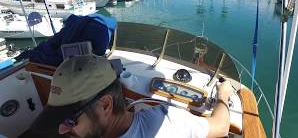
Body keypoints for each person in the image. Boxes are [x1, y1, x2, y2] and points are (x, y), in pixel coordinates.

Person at [28, 55, 233, 138]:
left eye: (68, 119)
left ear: (106, 105)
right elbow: (221, 127)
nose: (61, 130)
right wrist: (223, 95)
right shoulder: (168, 123)